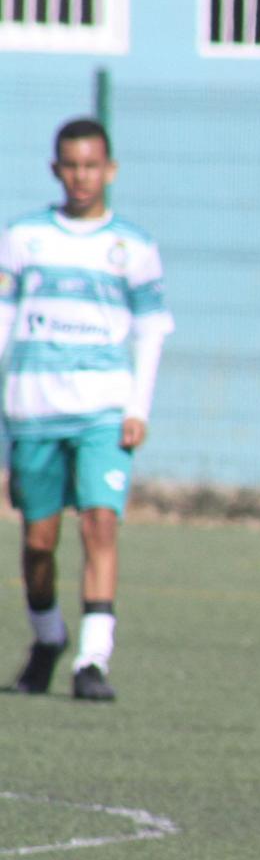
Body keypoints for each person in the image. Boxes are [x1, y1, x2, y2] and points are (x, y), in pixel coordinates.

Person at [0, 117, 172, 702]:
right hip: (33, 407)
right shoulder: (24, 237)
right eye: (71, 166)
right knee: (39, 542)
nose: (81, 176)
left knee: (100, 523)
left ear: (110, 170)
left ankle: (91, 661)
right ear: (56, 169)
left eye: (91, 166)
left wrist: (138, 406)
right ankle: (48, 639)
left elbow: (151, 329)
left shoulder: (133, 247)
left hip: (104, 408)